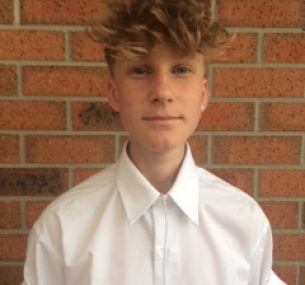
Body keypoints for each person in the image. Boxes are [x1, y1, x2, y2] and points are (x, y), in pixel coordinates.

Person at [22, 0, 286, 284]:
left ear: (203, 94)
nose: (162, 92)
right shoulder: (62, 228)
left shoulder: (244, 223)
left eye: (181, 69)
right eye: (140, 70)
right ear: (114, 93)